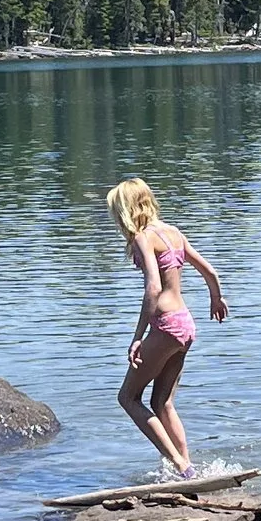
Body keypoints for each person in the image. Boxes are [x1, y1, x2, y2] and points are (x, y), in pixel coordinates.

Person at [103, 177, 227, 477]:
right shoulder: (173, 232)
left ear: (127, 210)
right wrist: (216, 299)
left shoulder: (144, 237)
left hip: (166, 324)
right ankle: (189, 472)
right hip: (186, 323)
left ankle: (181, 466)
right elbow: (209, 270)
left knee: (128, 398)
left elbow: (153, 289)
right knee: (163, 402)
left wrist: (137, 337)